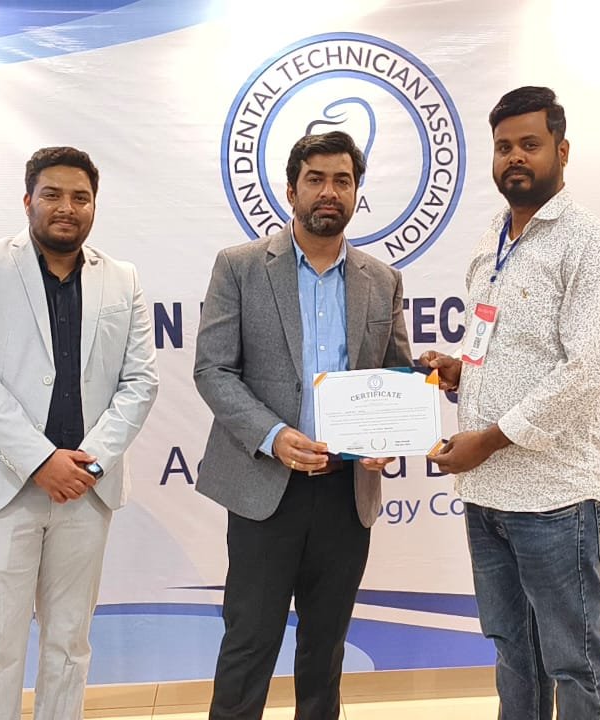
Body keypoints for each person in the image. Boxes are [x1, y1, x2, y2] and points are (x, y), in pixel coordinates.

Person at [422, 87, 600, 720]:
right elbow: (506, 347)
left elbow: (583, 373)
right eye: (503, 147)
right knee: (513, 652)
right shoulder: (494, 238)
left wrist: (487, 439)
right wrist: (461, 372)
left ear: (562, 151)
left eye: (529, 144)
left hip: (555, 498)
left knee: (572, 660)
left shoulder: (594, 246)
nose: (514, 157)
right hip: (487, 495)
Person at [0, 146, 159, 720]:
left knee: (69, 645)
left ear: (94, 206)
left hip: (85, 489)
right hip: (1, 487)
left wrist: (89, 463)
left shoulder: (122, 279)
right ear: (28, 200)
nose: (66, 207)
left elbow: (140, 381)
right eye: (52, 194)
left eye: (80, 197)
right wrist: (40, 460)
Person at [193, 131, 412, 720]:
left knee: (325, 649)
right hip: (266, 488)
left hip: (346, 493)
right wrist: (273, 436)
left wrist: (387, 436)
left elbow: (394, 372)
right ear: (291, 191)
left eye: (343, 180)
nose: (329, 192)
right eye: (315, 179)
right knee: (249, 643)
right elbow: (213, 370)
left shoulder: (381, 279)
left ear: (357, 193)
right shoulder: (240, 267)